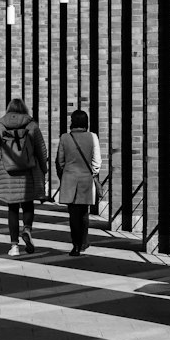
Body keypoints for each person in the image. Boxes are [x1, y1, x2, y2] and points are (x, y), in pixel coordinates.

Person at [0, 96, 48, 258]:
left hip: (7, 172)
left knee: (12, 208)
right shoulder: (32, 126)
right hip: (28, 172)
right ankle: (27, 228)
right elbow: (41, 149)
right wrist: (44, 168)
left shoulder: (0, 127)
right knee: (28, 204)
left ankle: (14, 246)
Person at [55, 108, 101, 257]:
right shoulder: (92, 137)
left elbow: (60, 161)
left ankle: (75, 244)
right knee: (84, 213)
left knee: (73, 214)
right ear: (86, 123)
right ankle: (83, 242)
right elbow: (97, 161)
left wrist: (64, 174)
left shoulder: (64, 138)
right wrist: (93, 173)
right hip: (86, 179)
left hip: (69, 178)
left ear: (72, 122)